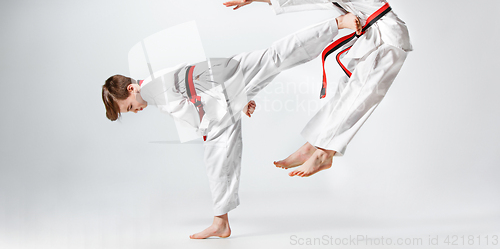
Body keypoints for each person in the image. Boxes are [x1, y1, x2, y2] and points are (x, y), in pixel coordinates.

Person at [102, 12, 361, 239]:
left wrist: (235, 102)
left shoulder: (153, 91)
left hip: (222, 86)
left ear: (131, 88)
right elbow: (193, 86)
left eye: (129, 106)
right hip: (227, 74)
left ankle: (220, 223)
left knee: (216, 158)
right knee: (277, 55)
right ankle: (338, 23)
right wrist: (238, 98)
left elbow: (189, 109)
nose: (135, 111)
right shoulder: (153, 83)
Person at [223, 0, 412, 178]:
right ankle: (313, 146)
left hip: (387, 39)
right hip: (374, 38)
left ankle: (325, 153)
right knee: (345, 93)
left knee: (360, 95)